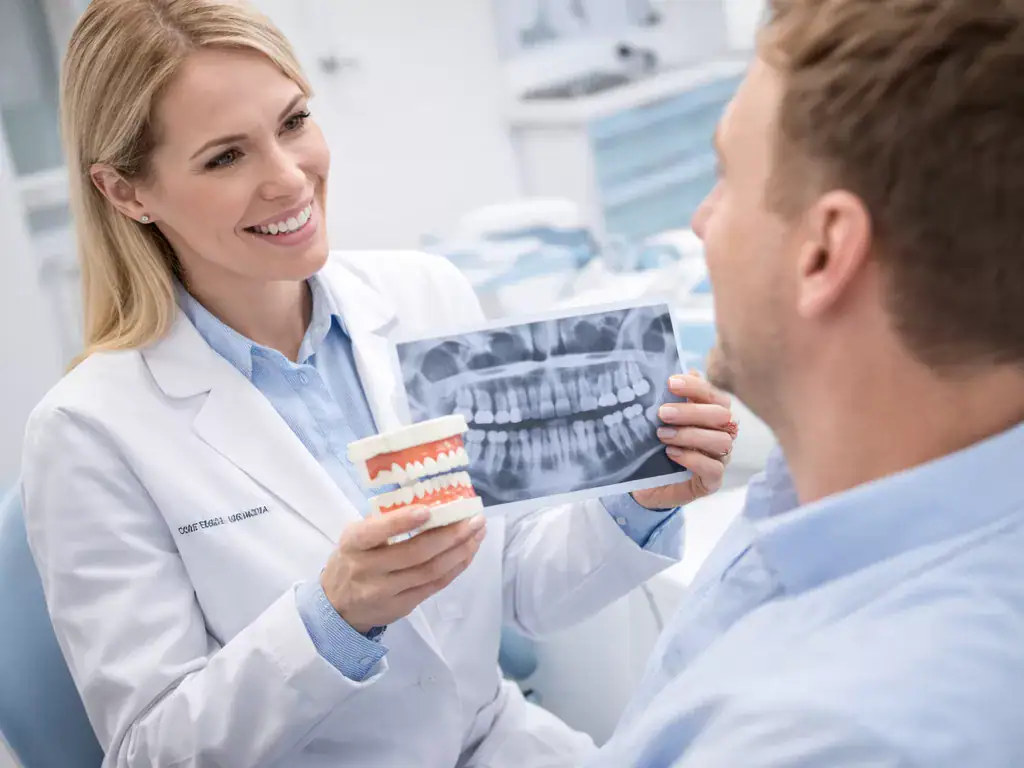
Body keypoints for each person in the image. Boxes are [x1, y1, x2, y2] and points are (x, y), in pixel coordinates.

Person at [19, 2, 739, 766]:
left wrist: (642, 500)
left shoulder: (425, 296)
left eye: (293, 122)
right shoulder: (88, 433)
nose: (288, 178)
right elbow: (150, 750)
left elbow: (519, 584)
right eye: (225, 157)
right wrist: (333, 617)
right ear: (126, 192)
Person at [587, 0, 1024, 766]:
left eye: (725, 177)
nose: (701, 221)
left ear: (823, 251)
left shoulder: (833, 736)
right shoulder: (826, 499)